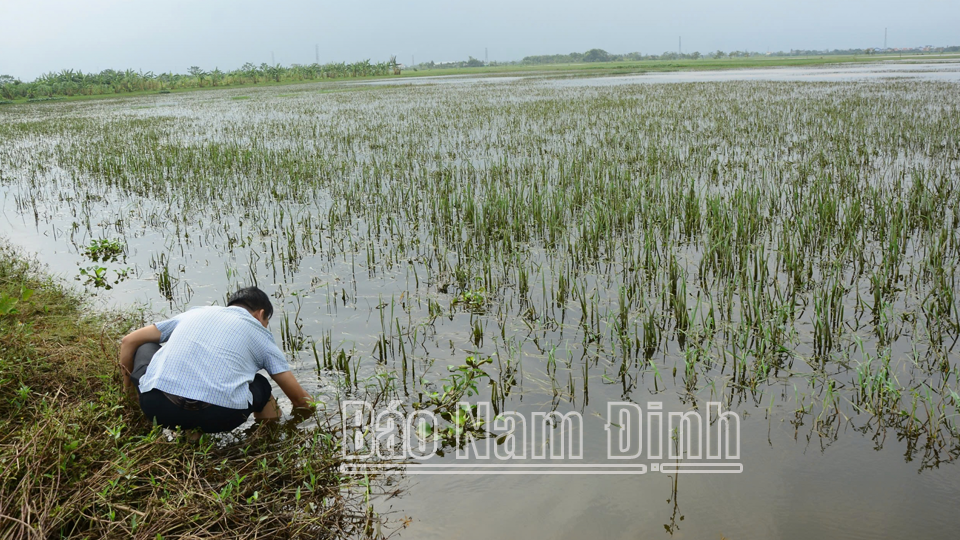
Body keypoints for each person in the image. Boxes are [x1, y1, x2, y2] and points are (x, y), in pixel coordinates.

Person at [118, 286, 313, 433]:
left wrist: (129, 393)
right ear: (260, 314)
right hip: (220, 416)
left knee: (144, 345)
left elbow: (128, 341)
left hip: (158, 407)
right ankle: (266, 437)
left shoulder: (196, 313)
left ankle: (190, 437)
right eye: (266, 322)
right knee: (261, 384)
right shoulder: (261, 335)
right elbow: (299, 400)